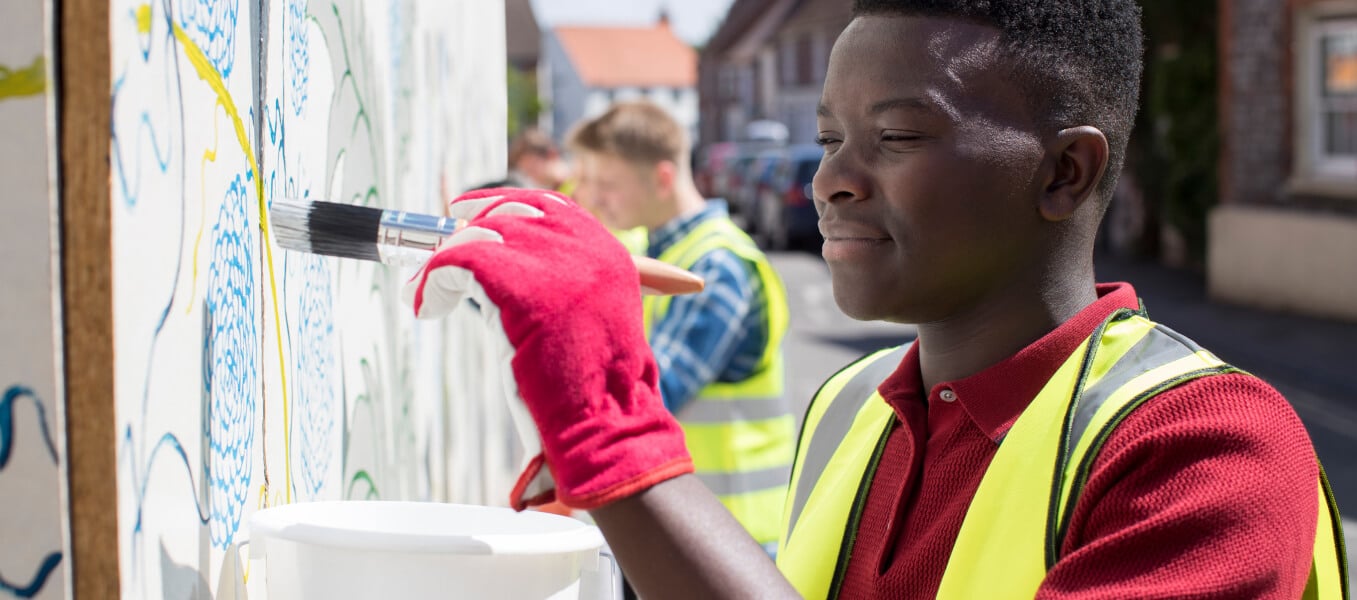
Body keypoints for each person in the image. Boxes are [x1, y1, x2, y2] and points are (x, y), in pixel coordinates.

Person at [405, 1, 1347, 598]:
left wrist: (613, 434)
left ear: (1064, 171)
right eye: (825, 138)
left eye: (894, 137)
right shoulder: (851, 407)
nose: (831, 182)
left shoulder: (1210, 450)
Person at [561, 100, 795, 555]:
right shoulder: (651, 249)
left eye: (608, 183)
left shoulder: (716, 266)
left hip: (731, 545)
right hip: (685, 535)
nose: (593, 195)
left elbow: (649, 398)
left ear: (663, 178)